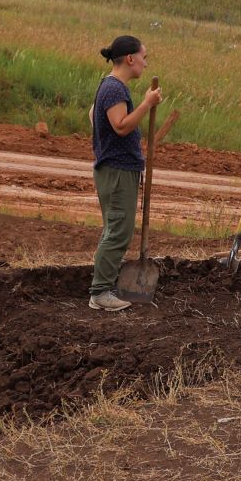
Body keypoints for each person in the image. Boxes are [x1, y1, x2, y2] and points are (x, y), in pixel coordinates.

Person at [88, 35, 161, 310]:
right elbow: (119, 125)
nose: (145, 62)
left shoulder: (108, 86)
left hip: (116, 168)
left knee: (116, 228)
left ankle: (102, 287)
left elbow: (93, 114)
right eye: (144, 56)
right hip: (117, 171)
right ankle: (100, 292)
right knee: (119, 231)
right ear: (130, 59)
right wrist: (146, 105)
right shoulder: (116, 90)